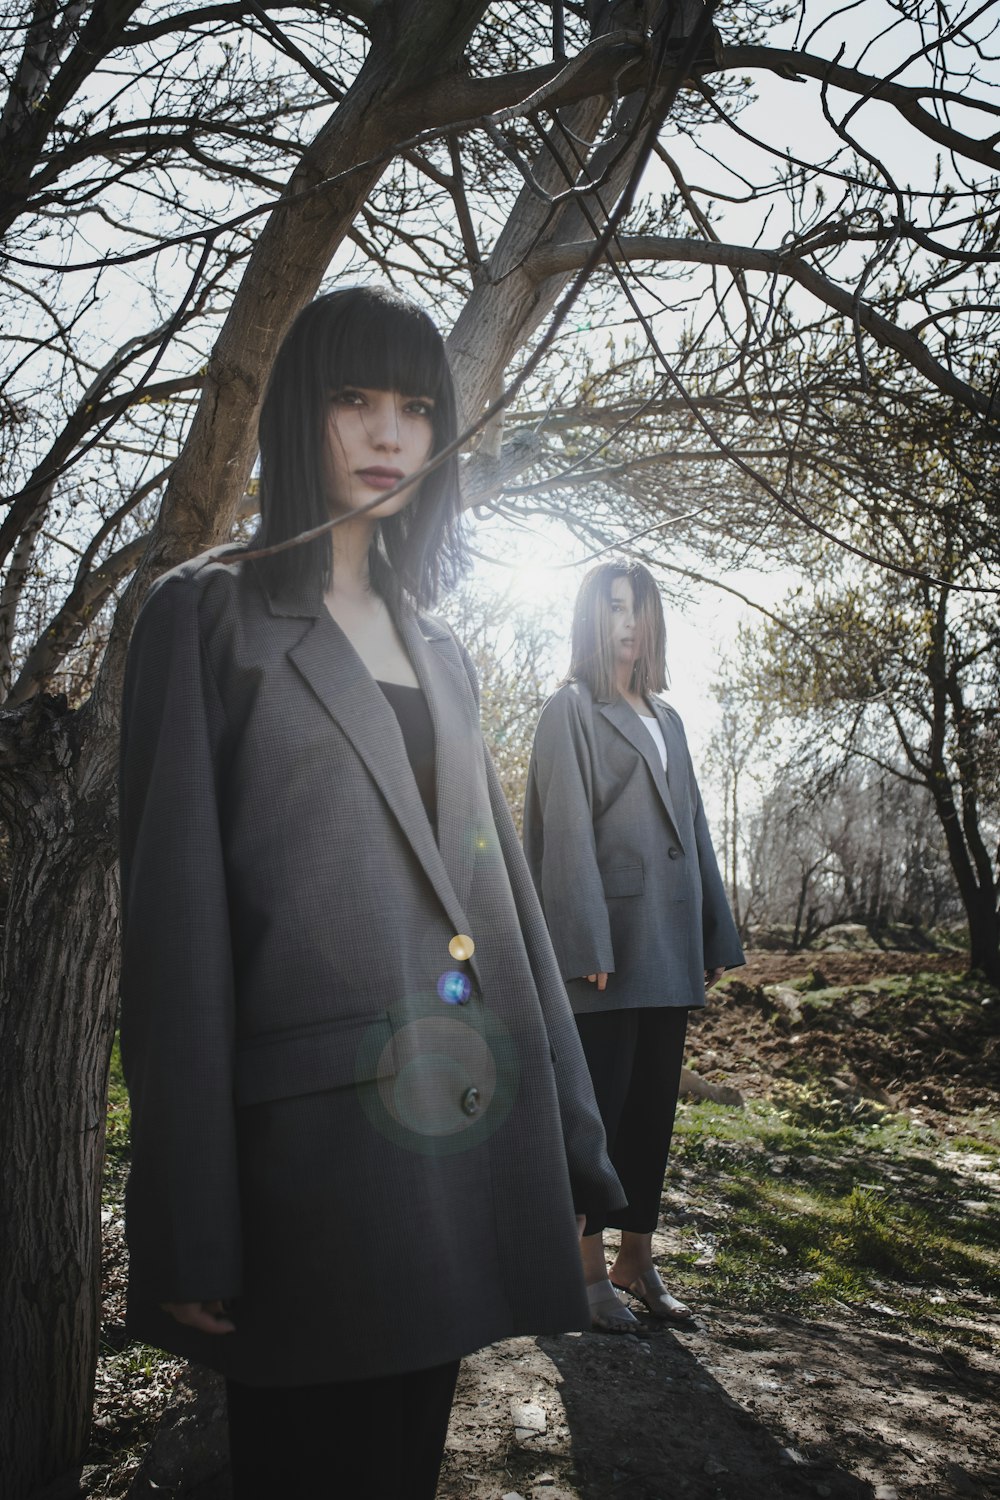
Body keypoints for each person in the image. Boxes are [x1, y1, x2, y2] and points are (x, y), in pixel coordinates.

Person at [118, 286, 624, 1499]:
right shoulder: (206, 613)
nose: (388, 435)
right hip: (303, 1176)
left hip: (452, 1153)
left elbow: (500, 918)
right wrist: (189, 1216)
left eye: (413, 407)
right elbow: (175, 946)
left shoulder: (439, 643)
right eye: (354, 400)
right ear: (303, 413)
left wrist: (578, 1161)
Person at [522, 559, 744, 1333]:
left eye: (639, 608)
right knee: (599, 1115)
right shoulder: (570, 711)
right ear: (592, 619)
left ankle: (636, 1261)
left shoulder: (670, 718)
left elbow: (698, 833)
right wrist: (584, 937)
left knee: (651, 1113)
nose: (628, 622)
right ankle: (582, 1272)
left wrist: (713, 929)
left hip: (668, 947)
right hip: (603, 955)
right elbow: (565, 834)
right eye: (614, 608)